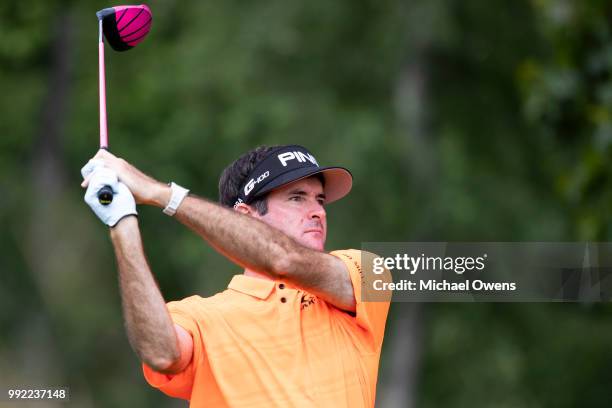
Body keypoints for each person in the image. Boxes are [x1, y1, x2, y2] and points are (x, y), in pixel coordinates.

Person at [81, 144, 391, 407]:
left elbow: (283, 260)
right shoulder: (199, 317)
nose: (318, 211)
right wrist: (123, 224)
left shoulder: (366, 271)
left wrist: (163, 195)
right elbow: (161, 354)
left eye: (319, 199)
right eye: (297, 197)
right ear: (245, 216)